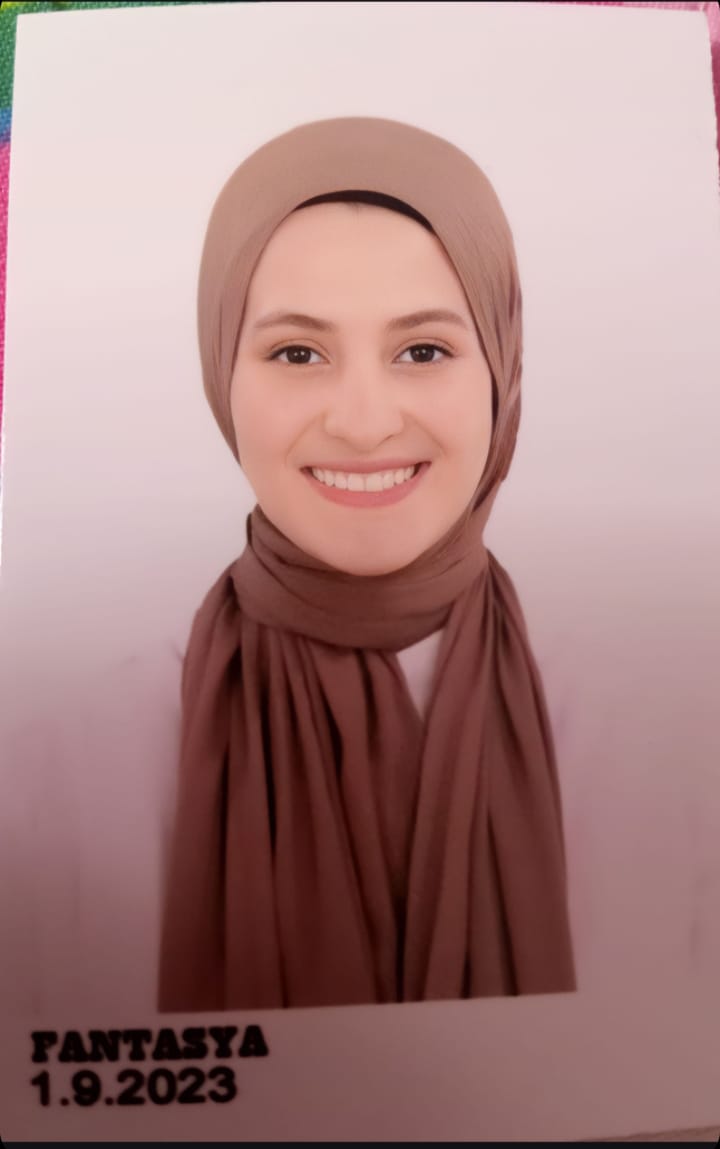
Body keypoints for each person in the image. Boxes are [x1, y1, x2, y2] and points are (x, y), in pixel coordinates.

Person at [158, 116, 576, 1011]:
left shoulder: (643, 722)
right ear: (220, 371)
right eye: (297, 352)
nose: (362, 421)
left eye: (422, 350)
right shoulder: (90, 738)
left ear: (500, 368)